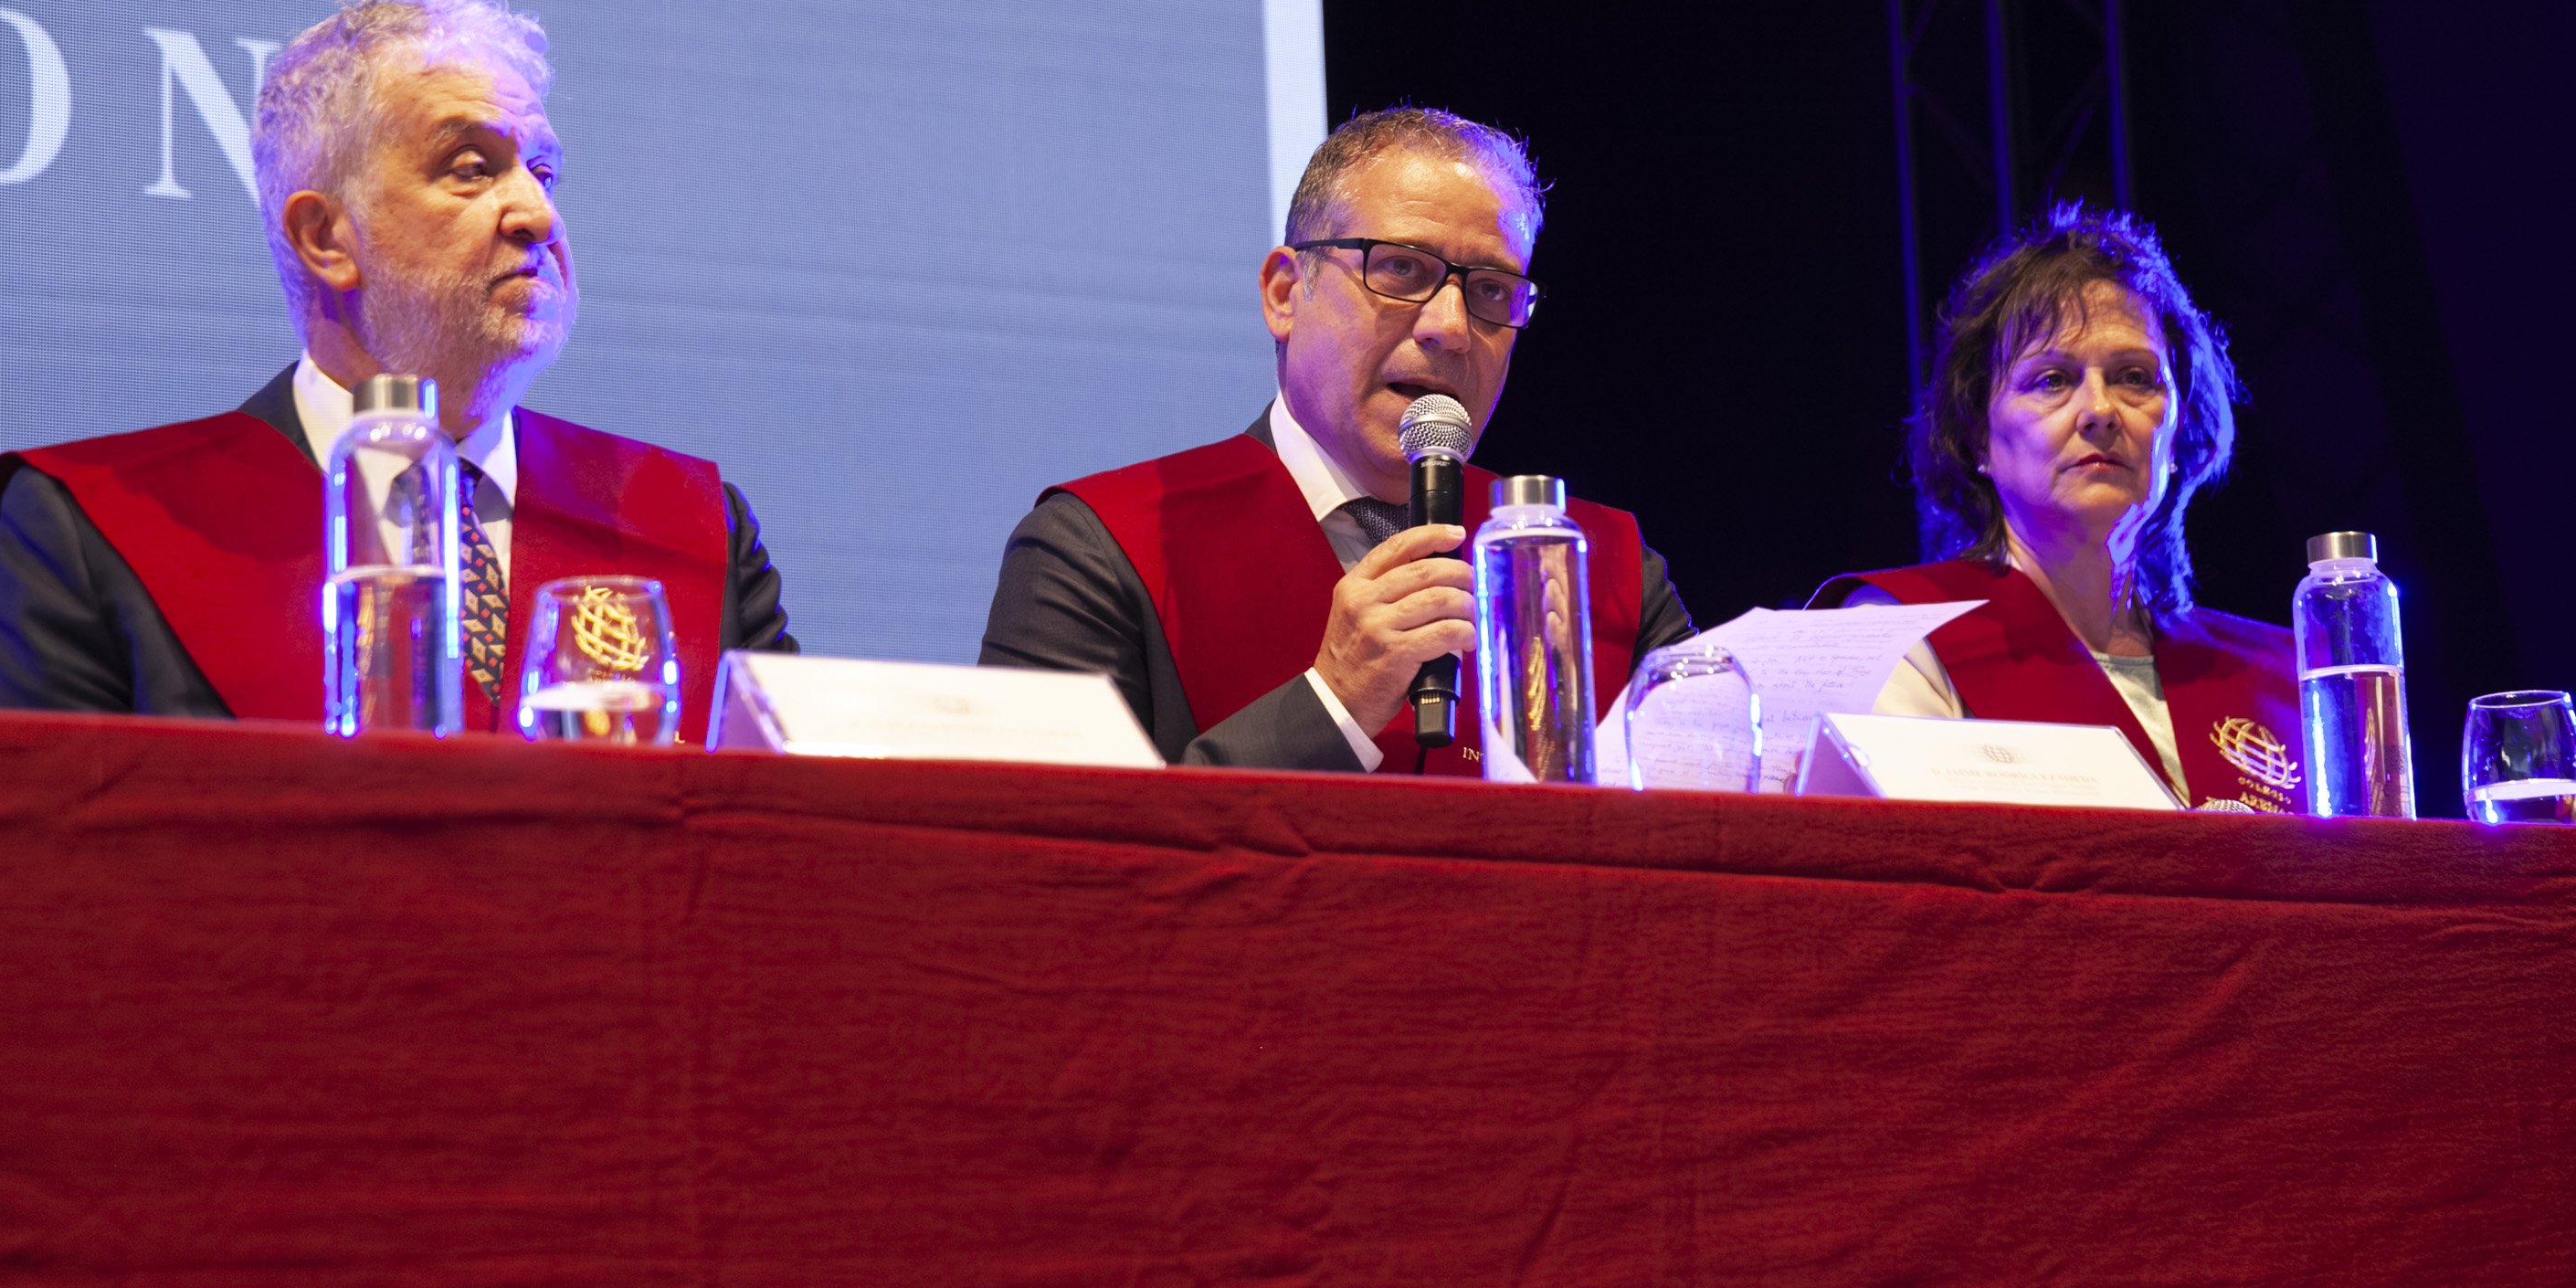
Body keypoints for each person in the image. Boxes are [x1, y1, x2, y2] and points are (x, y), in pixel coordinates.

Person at [0, 0, 795, 735]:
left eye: (542, 169)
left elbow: (796, 841)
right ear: (325, 239)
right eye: (472, 169)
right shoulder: (89, 529)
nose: (536, 212)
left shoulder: (694, 527)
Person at [978, 107, 1694, 773]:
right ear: (1286, 294)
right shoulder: (1099, 549)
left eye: (1488, 291)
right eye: (1401, 269)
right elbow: (1047, 870)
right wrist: (1332, 704)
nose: (1448, 325)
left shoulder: (1608, 572)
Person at [1810, 205, 2306, 811]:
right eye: (2051, 380)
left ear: (2177, 428)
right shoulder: (1900, 639)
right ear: (1976, 437)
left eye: (2134, 376)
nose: (2100, 409)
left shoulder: (2286, 678)